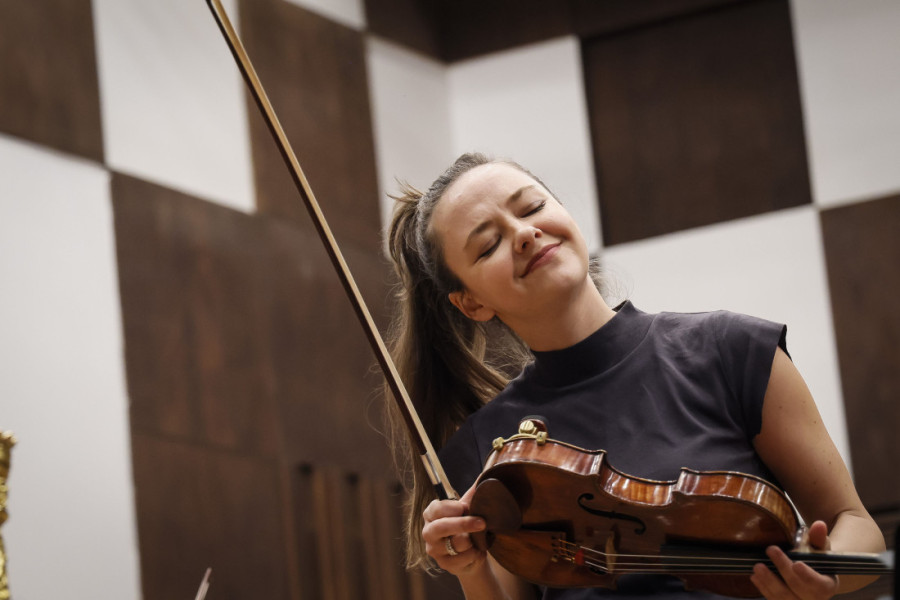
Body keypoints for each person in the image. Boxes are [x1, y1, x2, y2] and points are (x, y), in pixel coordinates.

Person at [383, 153, 885, 600]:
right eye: (488, 243)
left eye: (533, 208)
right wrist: (471, 571)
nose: (524, 233)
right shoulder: (487, 451)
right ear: (471, 302)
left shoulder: (733, 351)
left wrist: (825, 575)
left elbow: (856, 526)